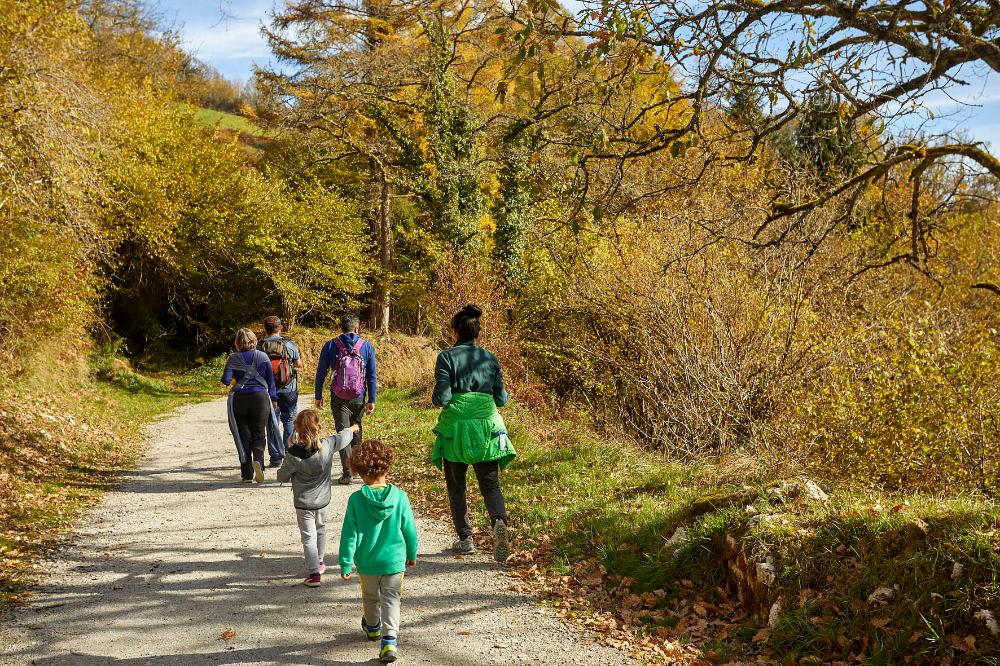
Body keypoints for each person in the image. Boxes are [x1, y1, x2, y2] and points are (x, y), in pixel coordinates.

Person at [431, 304, 515, 562]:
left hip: (456, 429)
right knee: (490, 485)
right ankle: (499, 521)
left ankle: (466, 539)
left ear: (455, 331)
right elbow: (501, 399)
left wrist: (444, 398)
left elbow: (442, 397)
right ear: (477, 331)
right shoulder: (489, 358)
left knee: (456, 487)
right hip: (487, 426)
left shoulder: (446, 357)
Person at [339, 440, 417, 664]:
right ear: (387, 466)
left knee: (371, 597)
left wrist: (346, 562)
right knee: (391, 599)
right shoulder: (400, 497)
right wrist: (412, 553)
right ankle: (389, 641)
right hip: (394, 562)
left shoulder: (356, 500)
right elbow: (410, 530)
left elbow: (349, 534)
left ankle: (373, 627)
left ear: (361, 472)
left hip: (367, 562)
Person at [276, 409, 358, 587]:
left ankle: (314, 574)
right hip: (323, 500)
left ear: (297, 428)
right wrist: (352, 429)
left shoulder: (293, 454)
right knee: (320, 529)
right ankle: (320, 562)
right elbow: (342, 437)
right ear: (318, 427)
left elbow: (281, 477)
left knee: (308, 537)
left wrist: (289, 453)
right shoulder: (327, 445)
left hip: (303, 503)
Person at [315, 313, 378, 485]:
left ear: (341, 328)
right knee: (356, 428)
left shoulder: (331, 345)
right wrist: (372, 399)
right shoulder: (366, 346)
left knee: (343, 432)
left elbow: (321, 372)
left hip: (338, 396)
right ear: (357, 328)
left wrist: (318, 395)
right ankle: (357, 469)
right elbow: (372, 375)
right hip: (359, 395)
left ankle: (347, 472)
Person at [221, 328, 278, 484]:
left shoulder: (233, 358)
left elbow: (226, 380)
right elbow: (270, 381)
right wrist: (274, 399)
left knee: (243, 435)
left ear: (237, 343)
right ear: (254, 341)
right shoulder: (263, 356)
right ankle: (258, 460)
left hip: (239, 399)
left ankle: (247, 474)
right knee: (259, 433)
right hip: (260, 399)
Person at [257, 316, 302, 467]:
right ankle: (289, 455)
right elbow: (298, 364)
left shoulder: (260, 346)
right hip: (289, 389)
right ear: (280, 328)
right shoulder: (289, 344)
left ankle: (276, 458)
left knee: (272, 422)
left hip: (268, 391)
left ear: (265, 329)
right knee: (289, 420)